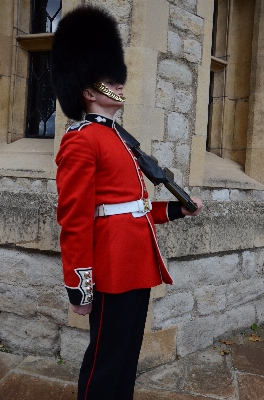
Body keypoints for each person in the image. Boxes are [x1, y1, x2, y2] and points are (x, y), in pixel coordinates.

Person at [51, 5, 203, 400]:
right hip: (111, 268)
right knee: (104, 365)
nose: (118, 85)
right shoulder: (81, 140)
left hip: (136, 264)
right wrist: (79, 287)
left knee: (125, 362)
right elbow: (76, 219)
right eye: (108, 81)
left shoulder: (119, 137)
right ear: (88, 90)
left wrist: (174, 209)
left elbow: (131, 207)